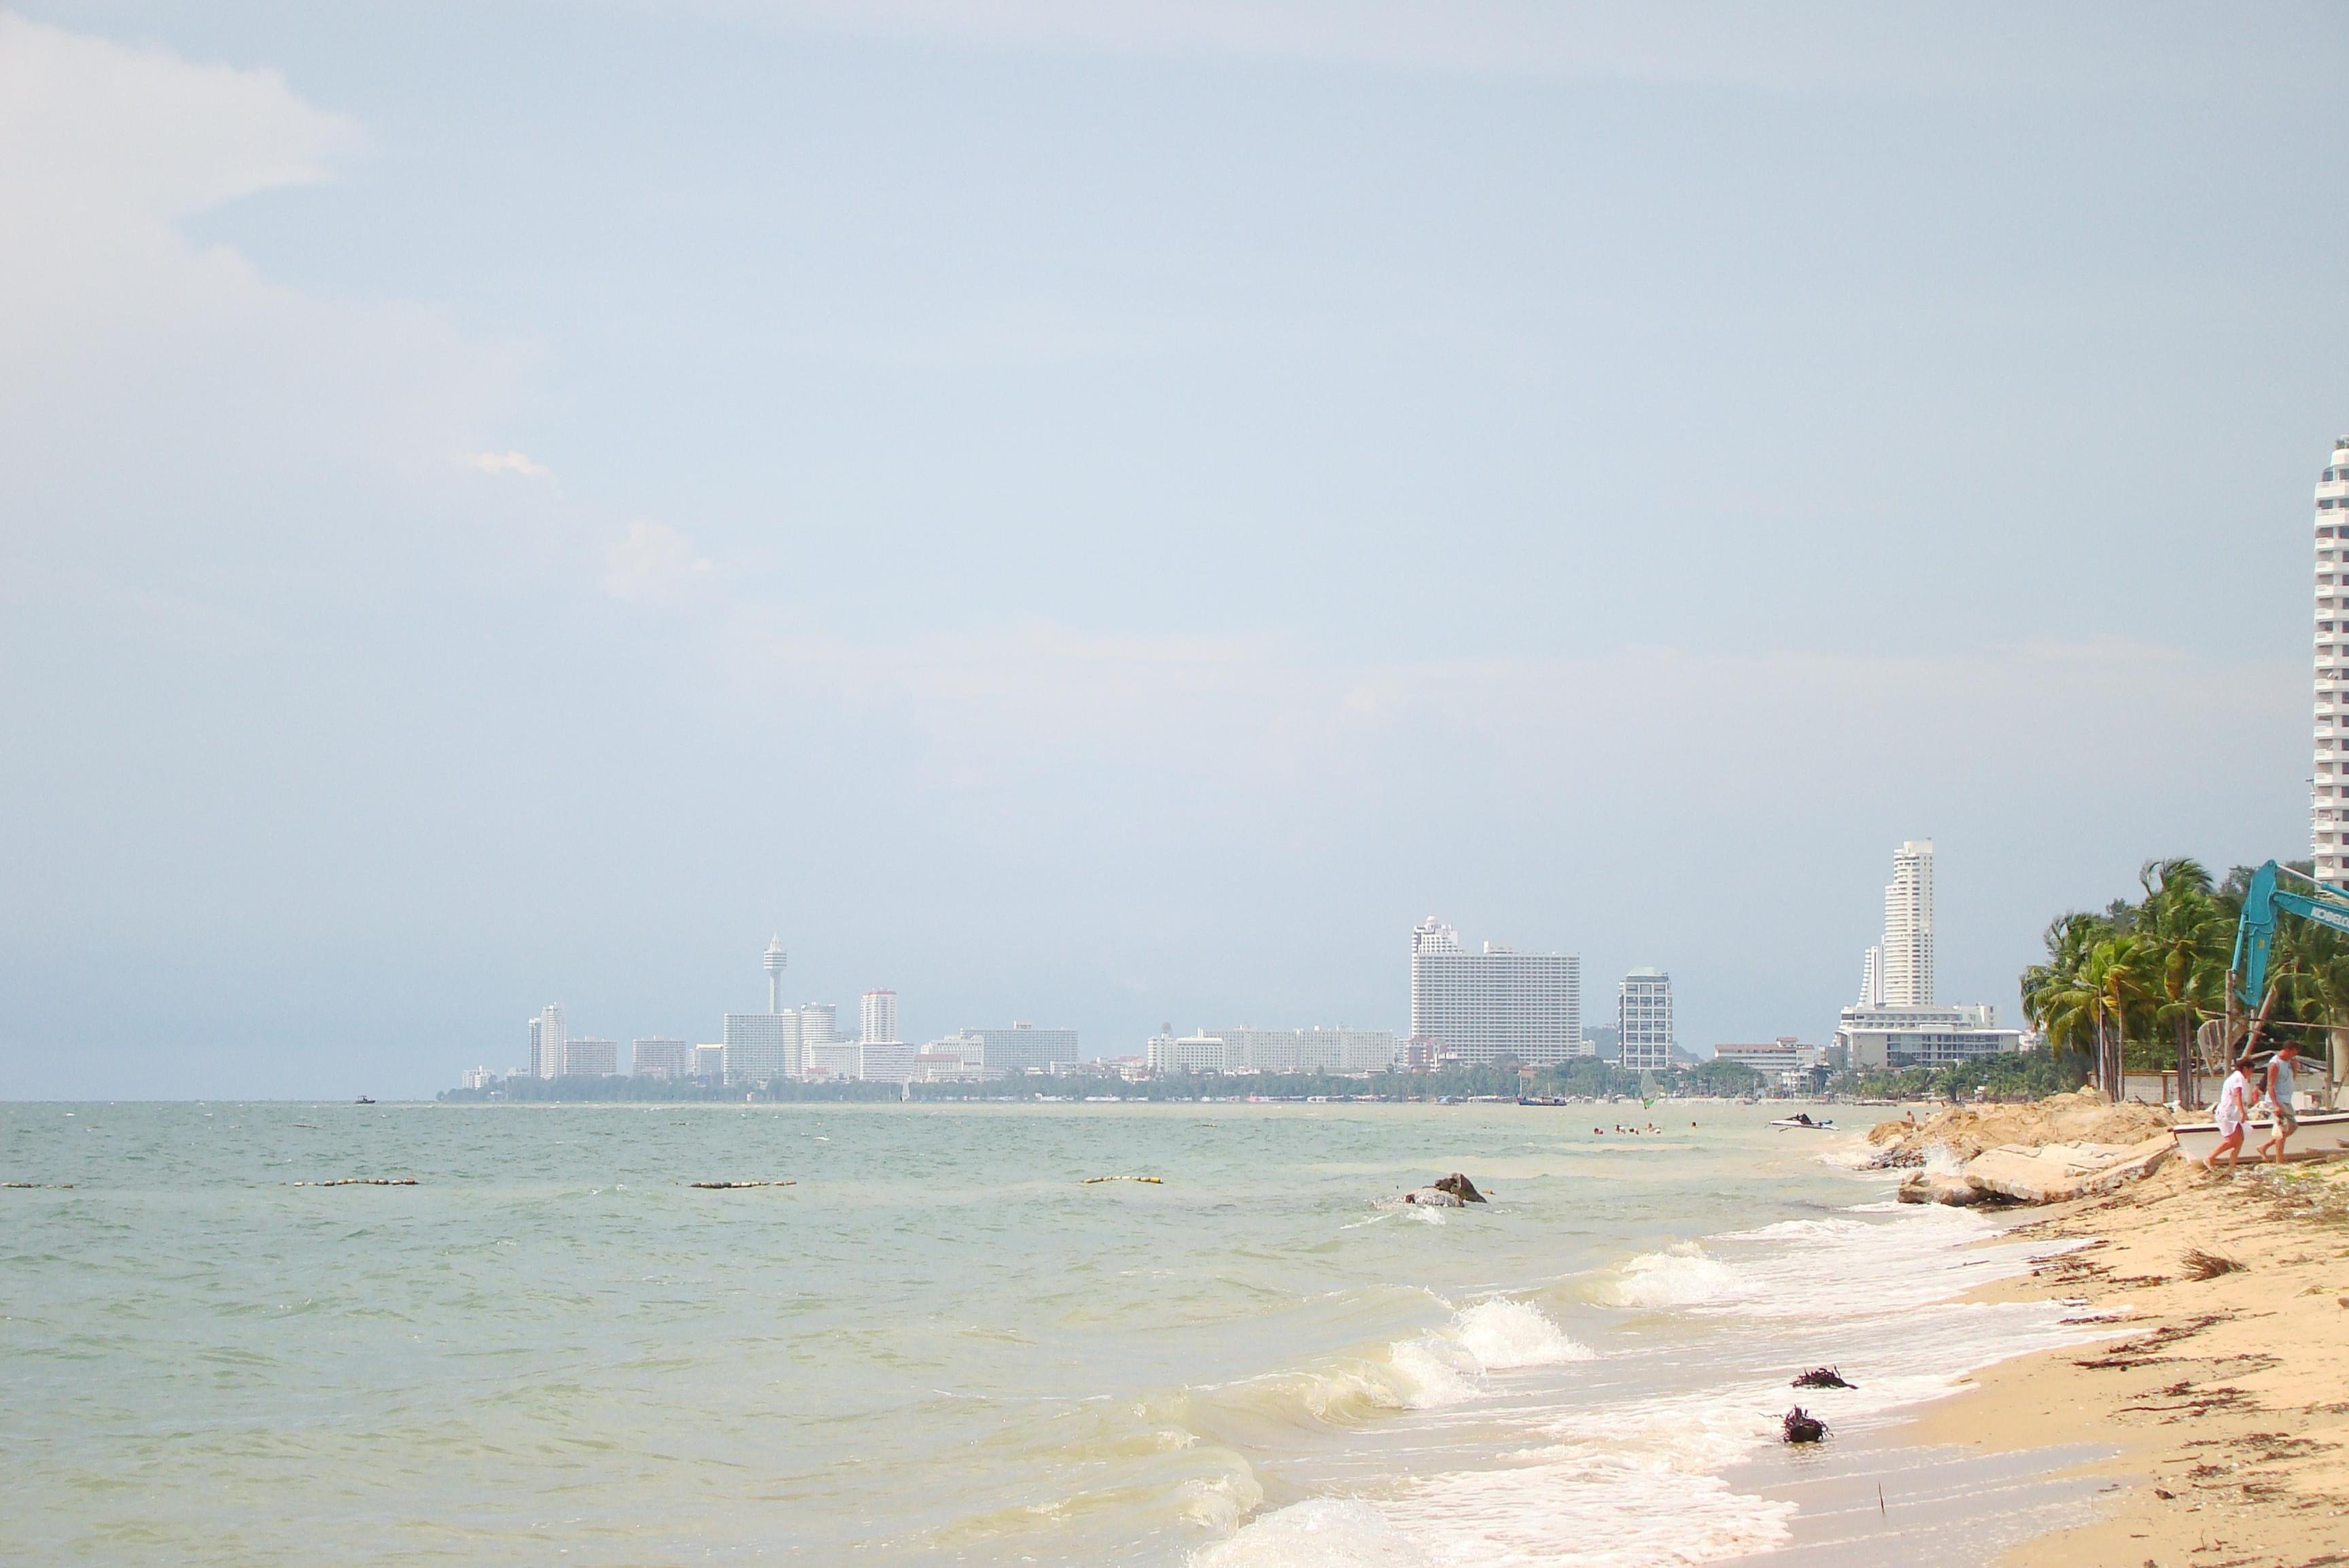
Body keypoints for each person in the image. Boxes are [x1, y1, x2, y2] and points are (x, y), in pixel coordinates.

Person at [2206, 1053, 2255, 1172]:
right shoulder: (2238, 1078)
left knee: (2239, 1140)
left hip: (2233, 1113)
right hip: (2228, 1113)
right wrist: (2243, 1112)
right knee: (2232, 1141)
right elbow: (2237, 1095)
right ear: (2246, 1068)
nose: (2251, 1073)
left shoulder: (2237, 1078)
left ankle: (2231, 1167)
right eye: (2251, 1070)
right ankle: (2210, 1158)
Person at [2259, 1040, 2304, 1165]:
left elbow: (2291, 1080)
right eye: (2293, 1053)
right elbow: (2270, 1085)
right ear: (2288, 1050)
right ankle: (2279, 1160)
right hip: (2278, 1099)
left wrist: (2295, 1069)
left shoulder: (2289, 1062)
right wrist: (2276, 1105)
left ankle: (2264, 1147)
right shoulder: (2275, 1063)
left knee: (2292, 1126)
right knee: (2283, 1129)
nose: (2293, 1056)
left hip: (2286, 1099)